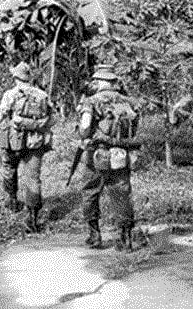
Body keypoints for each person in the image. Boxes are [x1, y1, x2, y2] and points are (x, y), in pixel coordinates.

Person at [76, 65, 141, 250]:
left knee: (90, 192)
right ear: (113, 82)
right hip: (121, 154)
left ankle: (95, 236)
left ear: (100, 82)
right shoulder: (128, 102)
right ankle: (125, 239)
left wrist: (83, 134)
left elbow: (85, 128)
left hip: (96, 154)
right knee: (122, 193)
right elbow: (134, 128)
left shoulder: (91, 101)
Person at [0, 62, 54, 233]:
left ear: (15, 78)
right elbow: (52, 118)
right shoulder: (42, 95)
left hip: (15, 141)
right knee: (33, 178)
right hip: (35, 141)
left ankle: (12, 200)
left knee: (9, 168)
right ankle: (32, 218)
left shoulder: (10, 94)